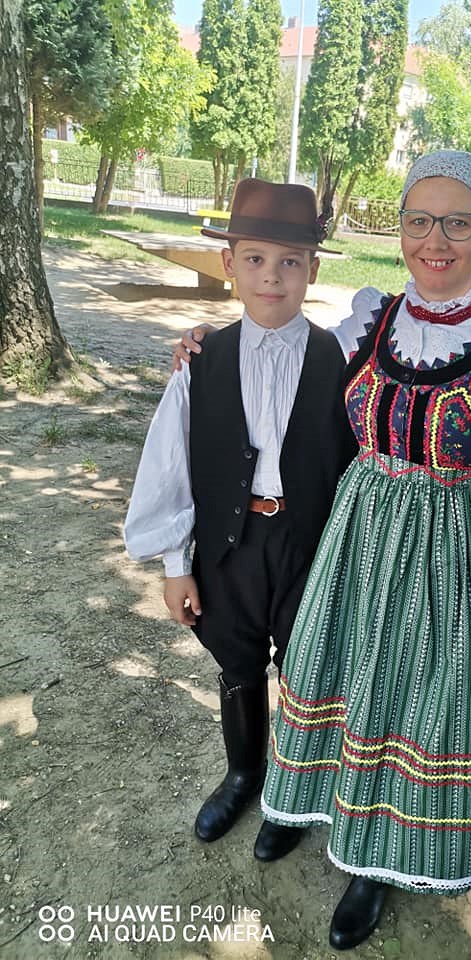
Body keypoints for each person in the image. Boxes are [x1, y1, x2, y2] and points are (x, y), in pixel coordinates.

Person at [174, 151, 471, 950]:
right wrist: (210, 345)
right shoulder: (369, 320)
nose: (435, 240)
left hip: (447, 555)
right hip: (355, 541)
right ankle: (298, 804)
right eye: (419, 220)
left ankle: (378, 860)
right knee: (334, 677)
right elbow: (283, 351)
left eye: (457, 222)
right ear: (401, 229)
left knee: (409, 700)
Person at [124, 178, 357, 851]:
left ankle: (293, 793)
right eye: (254, 259)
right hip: (231, 543)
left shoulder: (341, 359)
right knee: (237, 660)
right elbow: (172, 465)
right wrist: (176, 564)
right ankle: (243, 773)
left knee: (308, 668)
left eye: (290, 262)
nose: (271, 277)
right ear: (229, 263)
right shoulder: (203, 361)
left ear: (313, 270)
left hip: (309, 544)